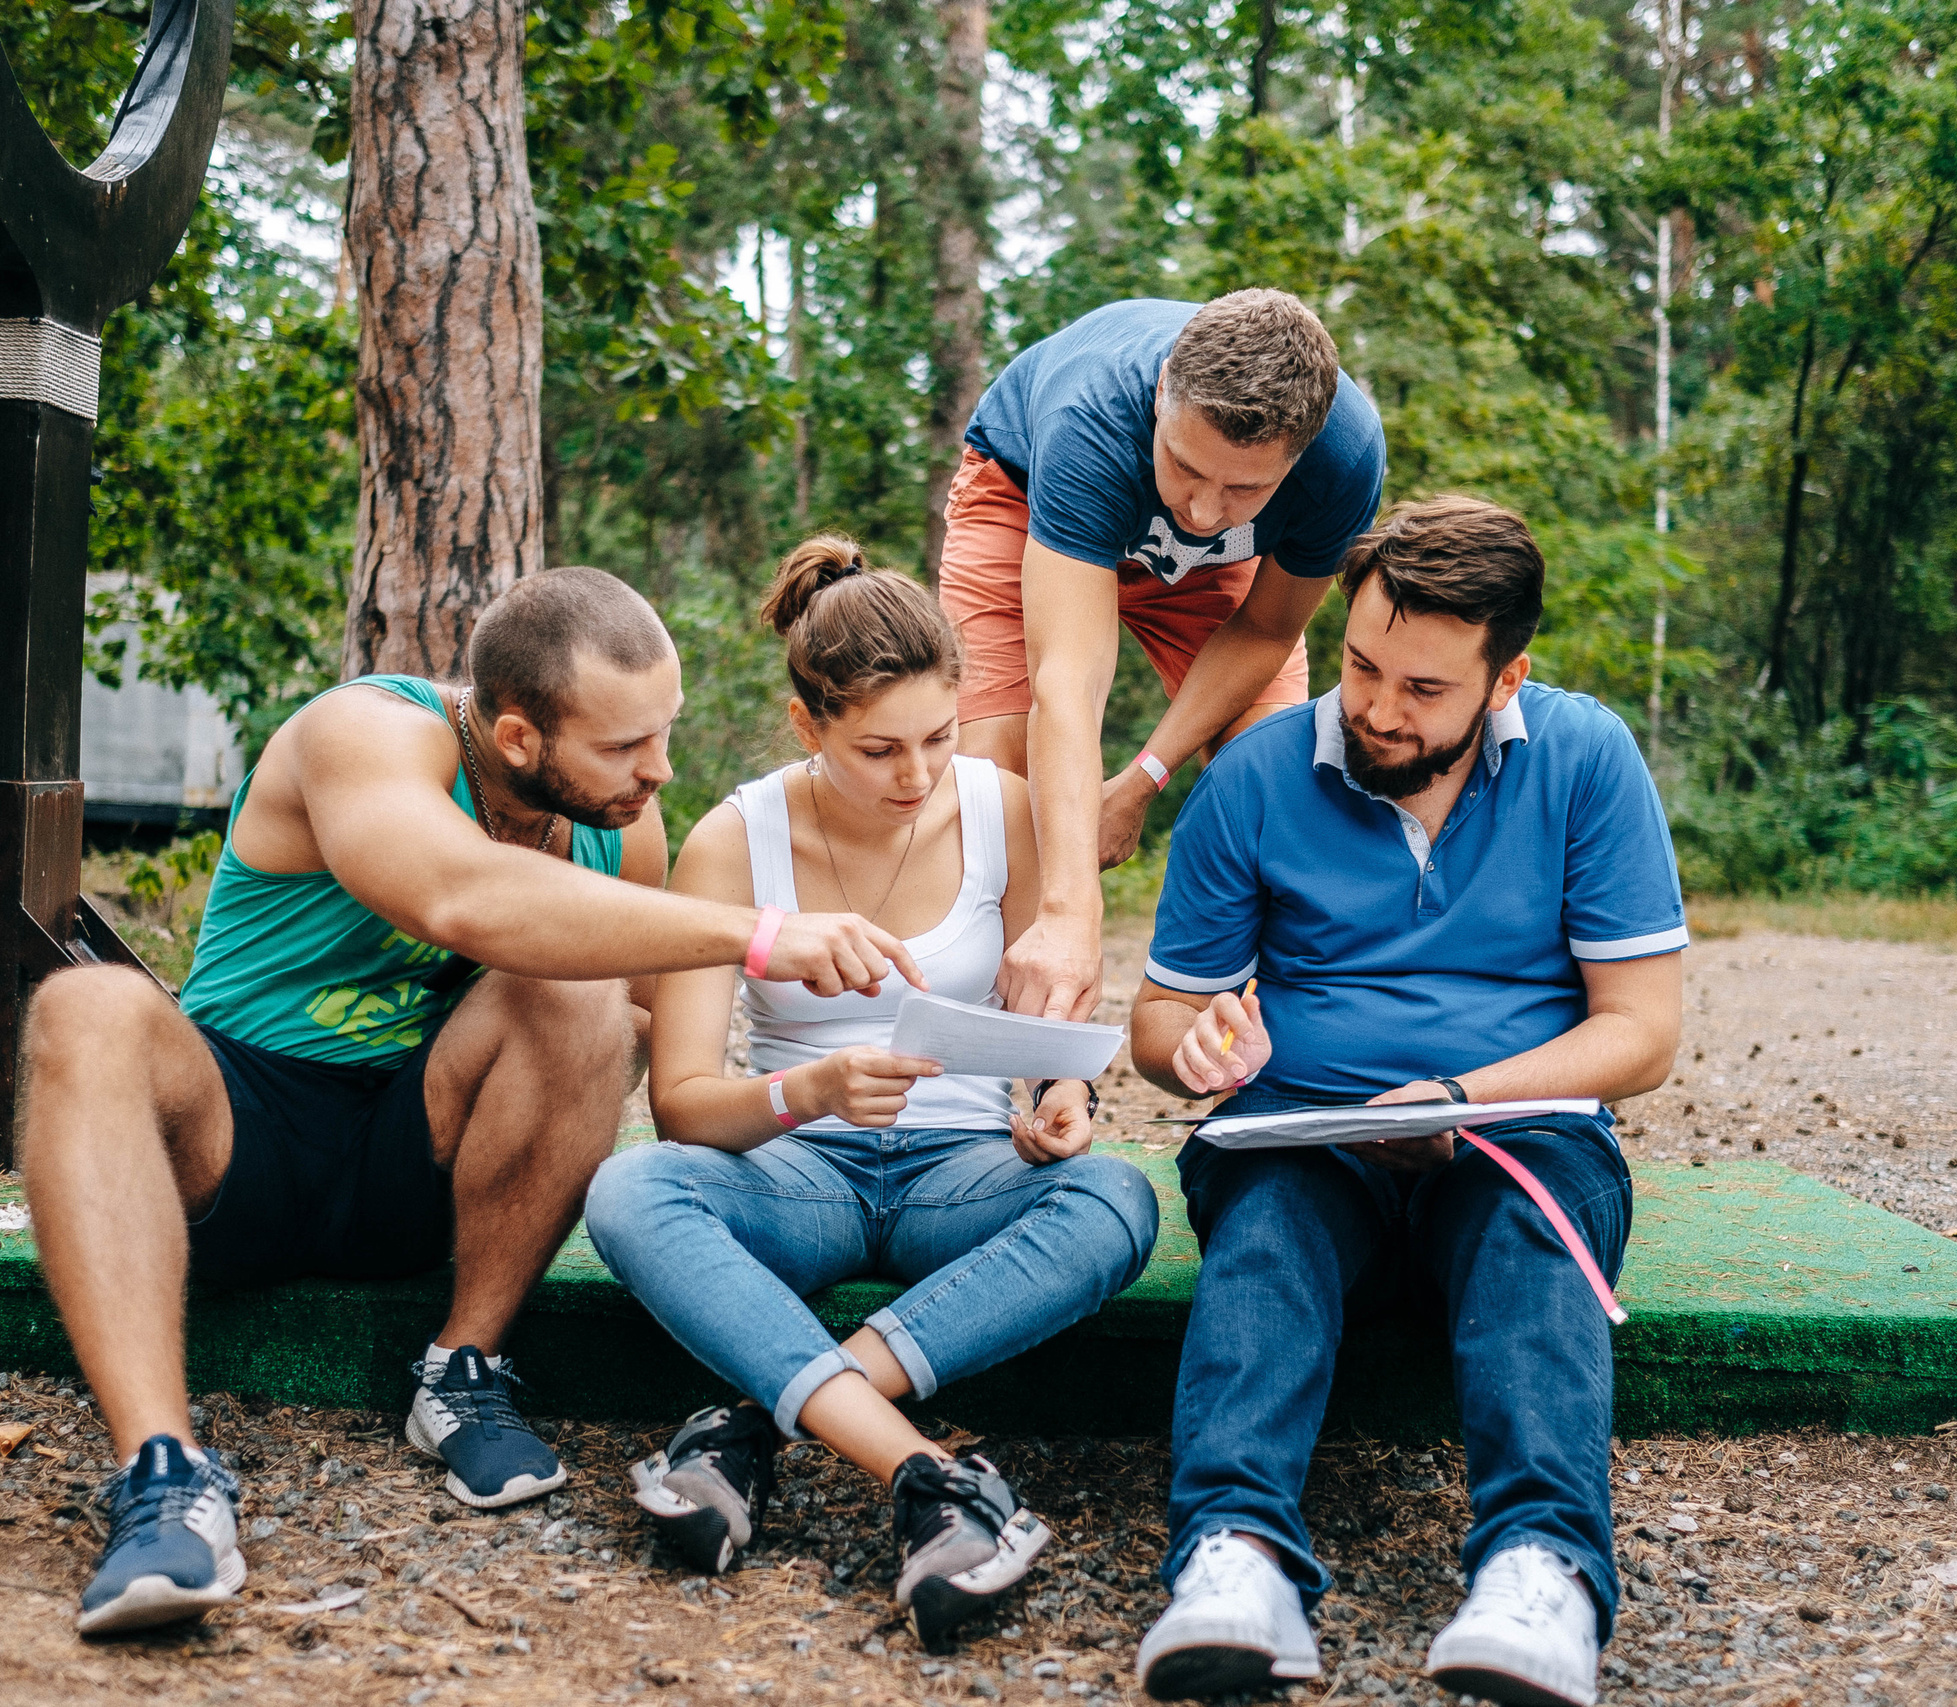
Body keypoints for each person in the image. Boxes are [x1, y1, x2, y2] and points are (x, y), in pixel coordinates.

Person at [21, 567, 928, 1637]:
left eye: (665, 734)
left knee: (588, 1001)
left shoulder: (620, 823)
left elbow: (628, 1040)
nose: (660, 770)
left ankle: (462, 1367)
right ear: (514, 737)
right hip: (239, 1134)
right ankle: (163, 1477)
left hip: (422, 1161)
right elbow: (458, 894)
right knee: (86, 1005)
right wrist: (764, 932)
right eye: (624, 746)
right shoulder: (361, 735)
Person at [1122, 499, 1686, 1706]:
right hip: (1301, 1135)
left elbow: (1639, 1036)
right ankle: (1235, 1559)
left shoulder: (1585, 760)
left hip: (1514, 1134)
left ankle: (1542, 1571)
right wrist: (1198, 1048)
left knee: (1532, 1231)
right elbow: (1156, 1029)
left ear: (1508, 676)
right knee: (1266, 1226)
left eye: (1424, 689)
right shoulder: (1258, 773)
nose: (1379, 708)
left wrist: (1458, 1097)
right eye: (1361, 665)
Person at [583, 537, 1160, 1650]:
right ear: (808, 726)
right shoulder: (733, 839)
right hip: (801, 1175)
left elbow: (1048, 1036)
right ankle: (929, 1475)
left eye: (939, 739)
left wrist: (1056, 1099)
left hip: (966, 1174)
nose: (916, 775)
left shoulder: (1006, 809)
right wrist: (812, 1088)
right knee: (632, 1191)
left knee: (1115, 1205)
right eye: (878, 748)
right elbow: (688, 1107)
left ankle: (754, 1425)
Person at [940, 288, 1386, 1026]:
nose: (1204, 510)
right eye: (1185, 465)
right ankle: (1016, 1043)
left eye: (1246, 487)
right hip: (1028, 499)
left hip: (1210, 573)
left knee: (1275, 772)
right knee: (996, 780)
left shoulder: (1346, 457)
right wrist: (1072, 914)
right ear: (1165, 386)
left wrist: (1145, 778)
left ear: (1302, 452)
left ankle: (1271, 1038)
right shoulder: (1092, 415)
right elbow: (1070, 680)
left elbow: (1266, 632)